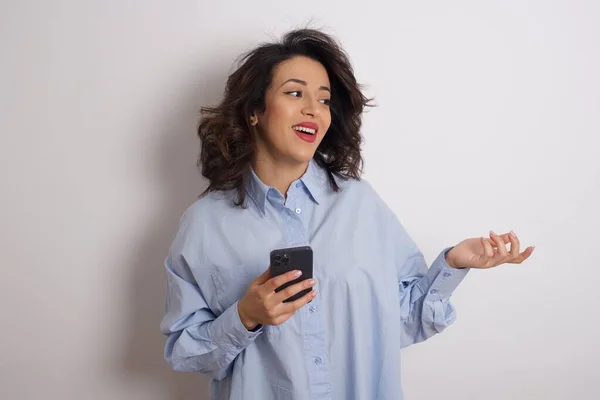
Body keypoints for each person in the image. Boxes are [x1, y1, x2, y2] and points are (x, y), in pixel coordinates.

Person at [160, 28, 535, 400]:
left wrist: (453, 263)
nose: (313, 109)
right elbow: (186, 353)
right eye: (294, 93)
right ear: (254, 111)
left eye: (323, 100)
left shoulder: (360, 204)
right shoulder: (205, 224)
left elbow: (403, 320)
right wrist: (245, 316)